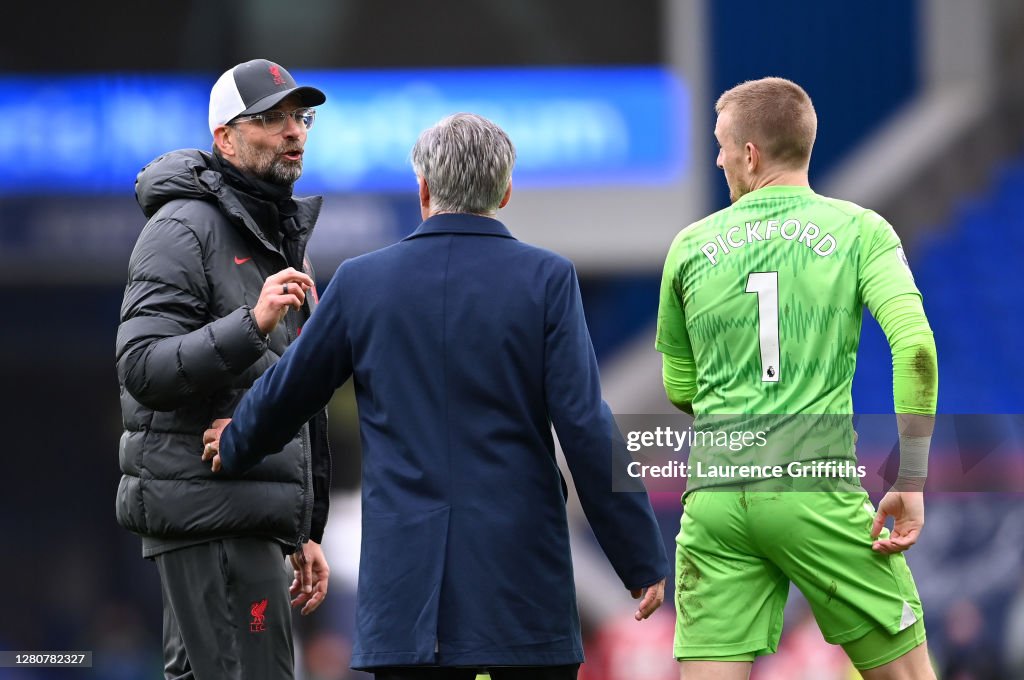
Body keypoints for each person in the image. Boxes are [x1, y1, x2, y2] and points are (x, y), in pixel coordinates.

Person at [202, 112, 669, 680]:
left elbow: (291, 393)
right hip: (522, 596)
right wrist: (638, 554)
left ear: (422, 188)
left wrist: (237, 440)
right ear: (504, 190)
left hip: (407, 602)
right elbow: (586, 426)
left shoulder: (361, 282)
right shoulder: (547, 280)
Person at [655, 77, 939, 679]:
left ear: (750, 154)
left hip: (717, 496)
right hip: (816, 488)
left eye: (721, 146)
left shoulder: (688, 247)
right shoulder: (861, 230)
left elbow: (682, 389)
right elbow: (915, 347)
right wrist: (910, 477)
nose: (718, 158)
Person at [115, 59, 332, 680]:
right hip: (209, 514)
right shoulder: (180, 227)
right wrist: (250, 326)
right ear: (224, 137)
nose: (293, 131)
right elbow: (140, 367)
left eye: (300, 116)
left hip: (249, 518)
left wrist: (306, 526)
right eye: (271, 118)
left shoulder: (271, 229)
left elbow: (298, 387)